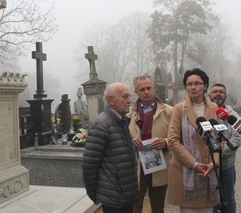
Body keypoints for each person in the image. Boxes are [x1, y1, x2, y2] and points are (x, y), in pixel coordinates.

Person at [167, 68, 220, 212]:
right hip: (186, 171)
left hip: (209, 171)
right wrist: (194, 163)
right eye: (189, 84)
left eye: (197, 83)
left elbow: (220, 139)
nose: (193, 87)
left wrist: (214, 163)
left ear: (205, 86)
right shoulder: (179, 109)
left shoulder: (215, 109)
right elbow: (172, 140)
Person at [81, 82, 138, 213]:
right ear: (111, 100)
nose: (129, 100)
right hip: (114, 199)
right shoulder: (101, 125)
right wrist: (93, 194)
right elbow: (89, 165)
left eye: (129, 96)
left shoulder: (120, 121)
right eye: (125, 97)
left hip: (124, 195)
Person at [127, 74, 173, 213]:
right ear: (136, 92)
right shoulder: (129, 114)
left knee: (158, 208)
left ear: (154, 88)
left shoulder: (169, 111)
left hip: (159, 165)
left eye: (149, 88)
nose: (146, 92)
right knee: (135, 207)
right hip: (136, 166)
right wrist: (131, 140)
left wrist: (165, 142)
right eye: (142, 89)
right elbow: (121, 136)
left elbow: (177, 137)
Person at [209, 84, 241, 213]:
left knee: (228, 198)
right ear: (209, 95)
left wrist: (219, 153)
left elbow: (237, 138)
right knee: (211, 200)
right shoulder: (205, 113)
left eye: (221, 92)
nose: (218, 94)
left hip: (227, 166)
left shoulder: (233, 115)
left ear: (225, 96)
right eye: (215, 91)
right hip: (208, 165)